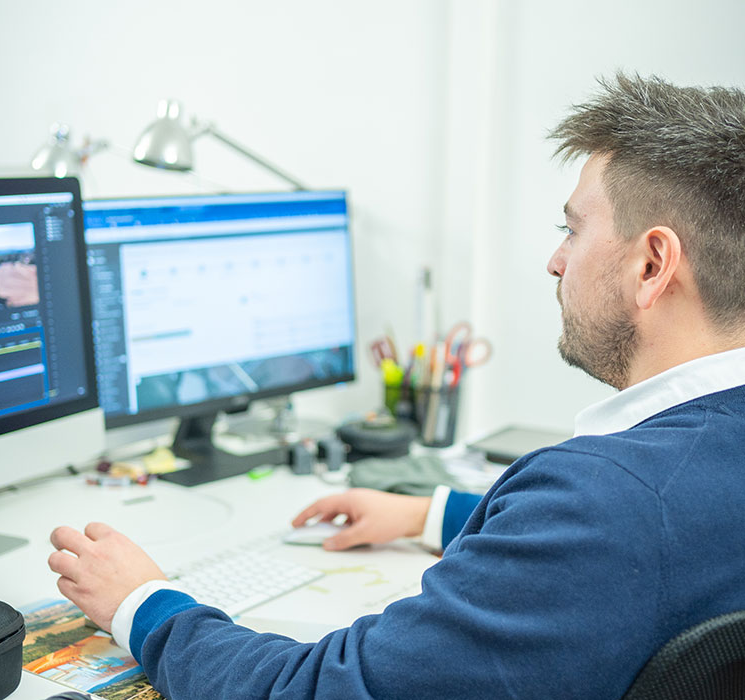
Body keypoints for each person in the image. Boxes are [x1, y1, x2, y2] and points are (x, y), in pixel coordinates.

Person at [48, 73, 745, 699]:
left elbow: (321, 691)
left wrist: (143, 603)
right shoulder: (681, 477)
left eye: (572, 230)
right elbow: (637, 547)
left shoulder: (604, 501)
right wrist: (429, 515)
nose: (556, 261)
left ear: (652, 265)